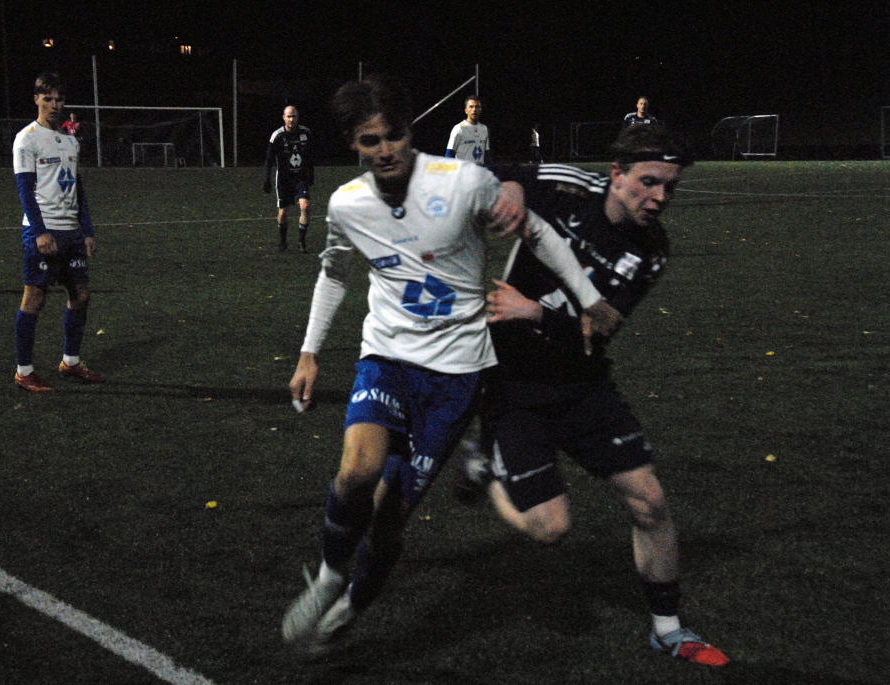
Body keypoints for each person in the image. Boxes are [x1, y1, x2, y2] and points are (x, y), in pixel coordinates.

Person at [281, 74, 620, 657]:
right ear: (353, 144)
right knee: (357, 472)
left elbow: (538, 232)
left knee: (388, 521)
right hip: (387, 355)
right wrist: (309, 352)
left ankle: (350, 607)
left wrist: (589, 300)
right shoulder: (347, 204)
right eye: (369, 141)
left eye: (393, 135)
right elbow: (334, 272)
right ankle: (332, 574)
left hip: (457, 374)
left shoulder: (462, 182)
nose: (385, 150)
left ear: (410, 132)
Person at [456, 125, 729, 667]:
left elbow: (600, 329)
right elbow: (494, 172)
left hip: (583, 383)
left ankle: (668, 630)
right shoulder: (568, 187)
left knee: (650, 503)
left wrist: (533, 311)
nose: (659, 198)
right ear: (617, 174)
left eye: (670, 187)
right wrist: (512, 187)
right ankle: (485, 470)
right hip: (514, 385)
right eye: (648, 182)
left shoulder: (651, 250)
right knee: (550, 529)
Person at [11, 72, 104, 392]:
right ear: (36, 99)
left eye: (59, 99)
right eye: (47, 98)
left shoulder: (70, 140)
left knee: (80, 296)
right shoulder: (27, 138)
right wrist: (39, 232)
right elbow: (25, 189)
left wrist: (87, 231)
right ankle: (24, 372)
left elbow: (78, 189)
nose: (54, 104)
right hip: (42, 232)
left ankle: (71, 362)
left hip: (71, 232)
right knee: (34, 299)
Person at [263, 105, 314, 252]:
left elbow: (309, 156)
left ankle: (301, 241)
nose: (292, 119)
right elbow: (269, 159)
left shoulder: (305, 133)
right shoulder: (277, 136)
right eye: (289, 116)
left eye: (294, 116)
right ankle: (283, 242)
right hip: (284, 179)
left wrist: (311, 174)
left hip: (301, 177)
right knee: (283, 213)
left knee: (305, 206)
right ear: (284, 118)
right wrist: (266, 179)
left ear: (298, 117)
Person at [445, 95, 490, 166]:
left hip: (478, 170)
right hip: (464, 170)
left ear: (481, 109)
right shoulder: (459, 128)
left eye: (477, 107)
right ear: (466, 110)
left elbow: (487, 154)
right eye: (471, 107)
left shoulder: (484, 128)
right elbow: (449, 153)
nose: (474, 109)